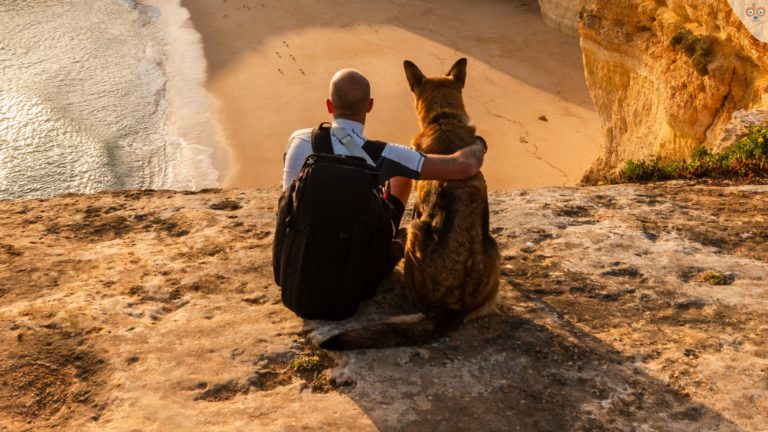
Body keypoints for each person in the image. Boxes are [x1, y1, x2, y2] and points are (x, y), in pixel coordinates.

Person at [282, 68, 487, 233]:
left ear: (329, 106)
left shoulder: (297, 138)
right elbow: (465, 165)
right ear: (369, 106)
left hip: (294, 262)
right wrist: (479, 143)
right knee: (401, 174)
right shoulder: (386, 154)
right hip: (356, 265)